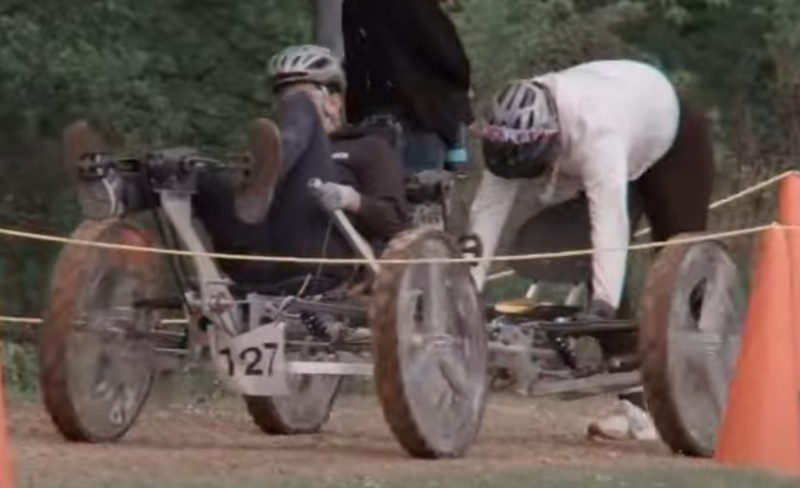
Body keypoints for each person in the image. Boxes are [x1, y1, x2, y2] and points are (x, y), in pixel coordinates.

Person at [468, 59, 716, 441]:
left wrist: (601, 305)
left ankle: (699, 389)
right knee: (584, 263)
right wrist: (466, 287)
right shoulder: (510, 128)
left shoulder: (597, 132)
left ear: (550, 141)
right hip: (615, 125)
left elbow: (610, 222)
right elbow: (486, 212)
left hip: (671, 138)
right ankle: (636, 406)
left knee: (679, 265)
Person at [66, 44, 411, 293]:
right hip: (251, 260)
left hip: (318, 256)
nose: (287, 104)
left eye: (302, 93)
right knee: (192, 166)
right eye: (283, 97)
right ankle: (117, 193)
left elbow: (396, 221)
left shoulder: (369, 148)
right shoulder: (267, 149)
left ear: (334, 101)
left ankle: (266, 179)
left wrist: (351, 199)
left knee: (284, 140)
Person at [341, 0, 473, 172]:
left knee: (380, 188)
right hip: (419, 115)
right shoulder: (418, 6)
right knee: (420, 189)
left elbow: (354, 58)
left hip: (369, 115)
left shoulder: (354, 5)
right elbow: (451, 59)